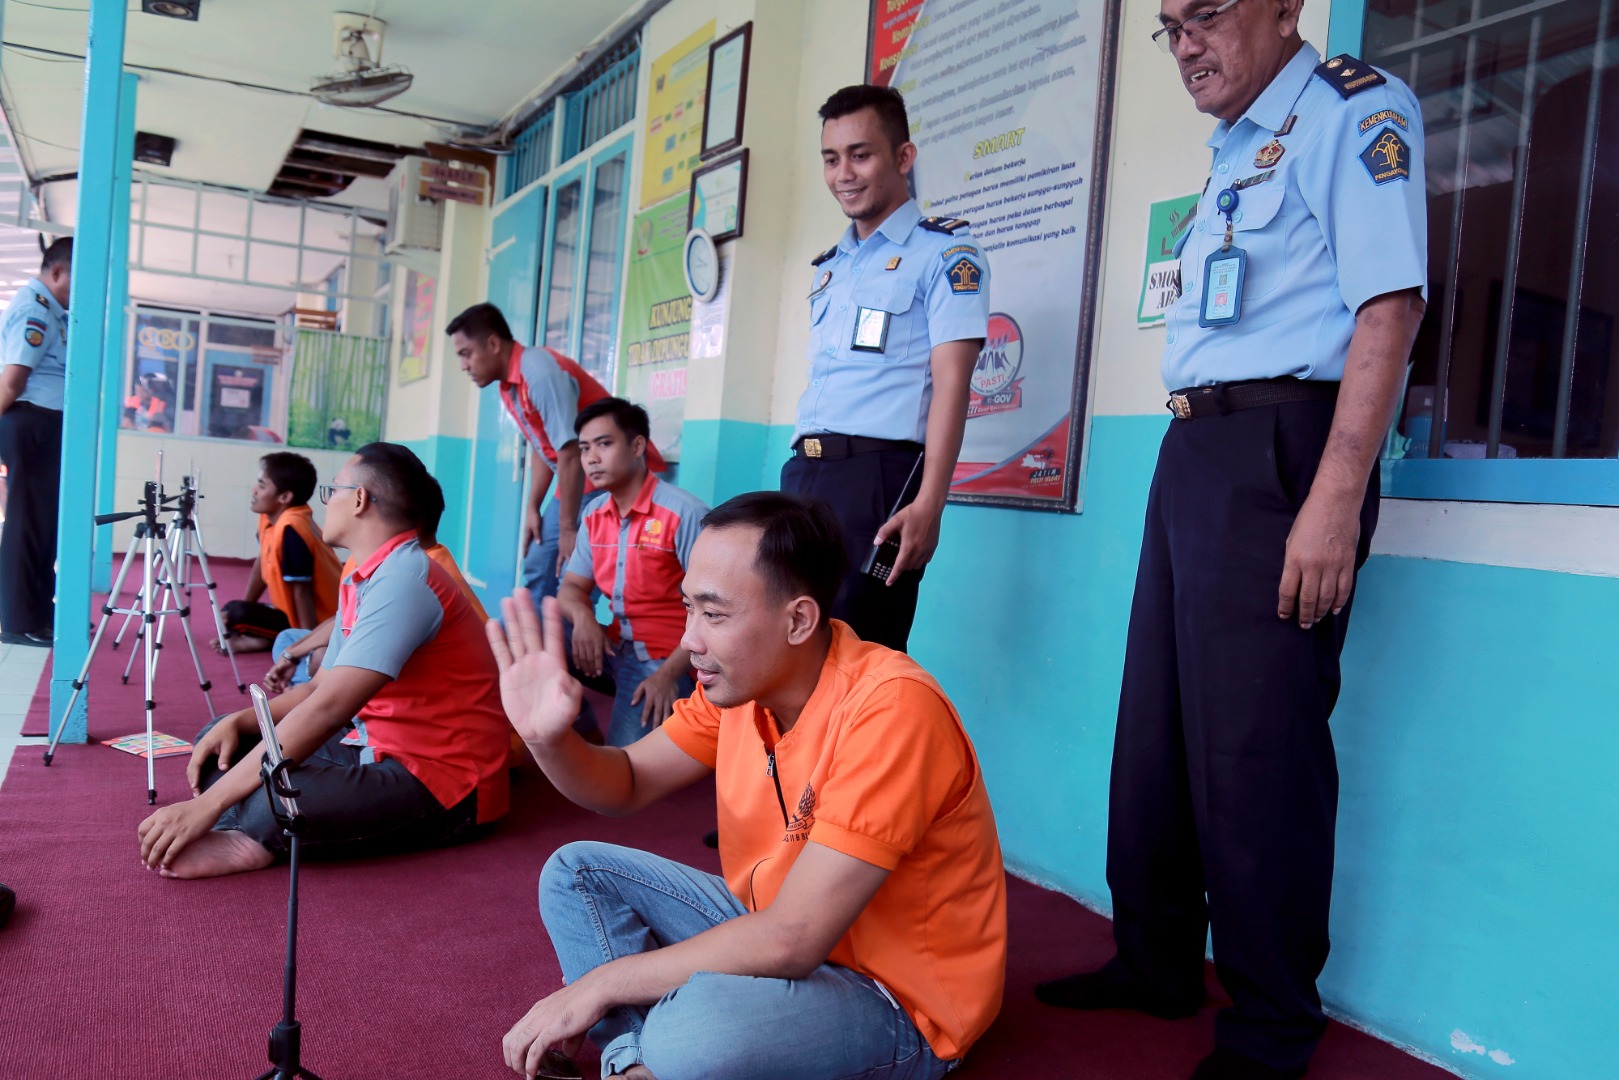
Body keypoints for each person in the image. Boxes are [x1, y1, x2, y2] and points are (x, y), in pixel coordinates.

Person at [1034, 5, 1428, 1079]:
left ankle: (1268, 1020)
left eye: (1206, 12)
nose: (1186, 42)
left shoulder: (1353, 112)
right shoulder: (1234, 148)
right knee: (1155, 729)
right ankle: (1156, 960)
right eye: (1168, 25)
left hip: (1283, 450)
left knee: (1257, 750)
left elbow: (1387, 310)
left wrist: (1335, 495)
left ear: (1283, 7)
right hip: (1196, 449)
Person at [487, 491, 1006, 1080]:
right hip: (774, 924)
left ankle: (648, 1046)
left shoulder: (892, 708)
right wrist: (547, 739)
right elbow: (625, 783)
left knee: (697, 1029)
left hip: (893, 998)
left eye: (714, 614)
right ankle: (635, 1062)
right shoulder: (738, 689)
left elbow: (795, 940)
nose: (689, 640)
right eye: (688, 609)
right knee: (575, 872)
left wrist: (605, 982)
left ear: (799, 620)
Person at [137, 443, 512, 879]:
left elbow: (331, 708)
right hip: (374, 748)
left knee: (273, 798)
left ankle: (252, 833)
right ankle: (257, 827)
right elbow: (316, 687)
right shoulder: (363, 572)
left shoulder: (406, 580)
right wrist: (240, 722)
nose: (325, 503)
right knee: (224, 742)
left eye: (332, 490)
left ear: (359, 499)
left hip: (447, 784)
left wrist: (208, 804)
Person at [781, 85, 989, 653]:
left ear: (903, 157)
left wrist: (930, 503)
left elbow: (953, 382)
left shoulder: (945, 254)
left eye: (861, 153)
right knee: (789, 646)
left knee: (856, 651)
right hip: (805, 474)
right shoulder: (832, 266)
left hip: (878, 481)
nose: (843, 173)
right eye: (831, 158)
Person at [449, 302, 666, 607]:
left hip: (604, 480)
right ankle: (540, 647)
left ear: (493, 344)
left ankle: (560, 646)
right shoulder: (509, 386)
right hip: (577, 480)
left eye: (465, 353)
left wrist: (569, 528)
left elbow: (567, 451)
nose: (463, 365)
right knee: (540, 565)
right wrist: (533, 508)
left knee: (572, 576)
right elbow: (544, 447)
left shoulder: (538, 373)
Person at [555, 397, 707, 748]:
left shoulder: (683, 513)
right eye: (584, 448)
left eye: (604, 444)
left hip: (666, 659)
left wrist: (669, 675)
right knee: (535, 624)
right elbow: (571, 589)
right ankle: (584, 730)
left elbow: (716, 614)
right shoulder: (594, 513)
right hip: (615, 646)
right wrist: (583, 618)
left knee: (623, 772)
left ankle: (678, 699)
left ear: (637, 446)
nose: (591, 458)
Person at [264, 468, 486, 693]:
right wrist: (293, 652)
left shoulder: (415, 576)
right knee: (289, 640)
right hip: (378, 658)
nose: (327, 502)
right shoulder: (367, 559)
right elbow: (345, 621)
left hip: (429, 690)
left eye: (336, 490)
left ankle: (304, 694)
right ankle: (301, 690)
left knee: (320, 660)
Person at [0, 238, 72, 646]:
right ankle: (18, 622)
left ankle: (40, 614)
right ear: (56, 272)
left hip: (42, 423)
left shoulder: (53, 310)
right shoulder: (35, 310)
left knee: (42, 524)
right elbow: (12, 379)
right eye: (73, 281)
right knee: (27, 524)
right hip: (31, 422)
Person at [212, 452, 341, 654]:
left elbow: (302, 590)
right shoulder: (270, 519)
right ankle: (264, 637)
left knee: (236, 616)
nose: (254, 490)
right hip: (288, 613)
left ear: (284, 497)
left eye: (262, 486)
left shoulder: (292, 530)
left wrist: (307, 642)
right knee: (230, 611)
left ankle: (273, 640)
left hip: (325, 620)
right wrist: (246, 608)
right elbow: (262, 562)